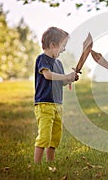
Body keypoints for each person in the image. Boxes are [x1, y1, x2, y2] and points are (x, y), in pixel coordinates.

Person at [33, 27, 79, 163]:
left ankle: (50, 162)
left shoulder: (58, 63)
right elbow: (47, 75)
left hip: (58, 104)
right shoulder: (42, 59)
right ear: (53, 45)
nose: (64, 49)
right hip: (44, 104)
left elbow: (61, 82)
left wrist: (69, 79)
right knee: (45, 135)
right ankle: (37, 164)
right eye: (63, 46)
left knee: (55, 136)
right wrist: (65, 76)